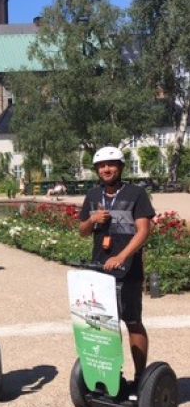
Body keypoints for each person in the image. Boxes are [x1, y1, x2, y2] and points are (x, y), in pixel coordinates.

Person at [79, 146, 155, 386]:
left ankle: (140, 375)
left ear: (120, 167)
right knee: (101, 325)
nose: (106, 169)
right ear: (97, 170)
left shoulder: (136, 194)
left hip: (128, 271)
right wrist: (92, 220)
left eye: (111, 164)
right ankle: (109, 374)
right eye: (102, 166)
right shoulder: (92, 195)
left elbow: (144, 231)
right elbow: (82, 232)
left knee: (132, 321)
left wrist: (122, 257)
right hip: (99, 271)